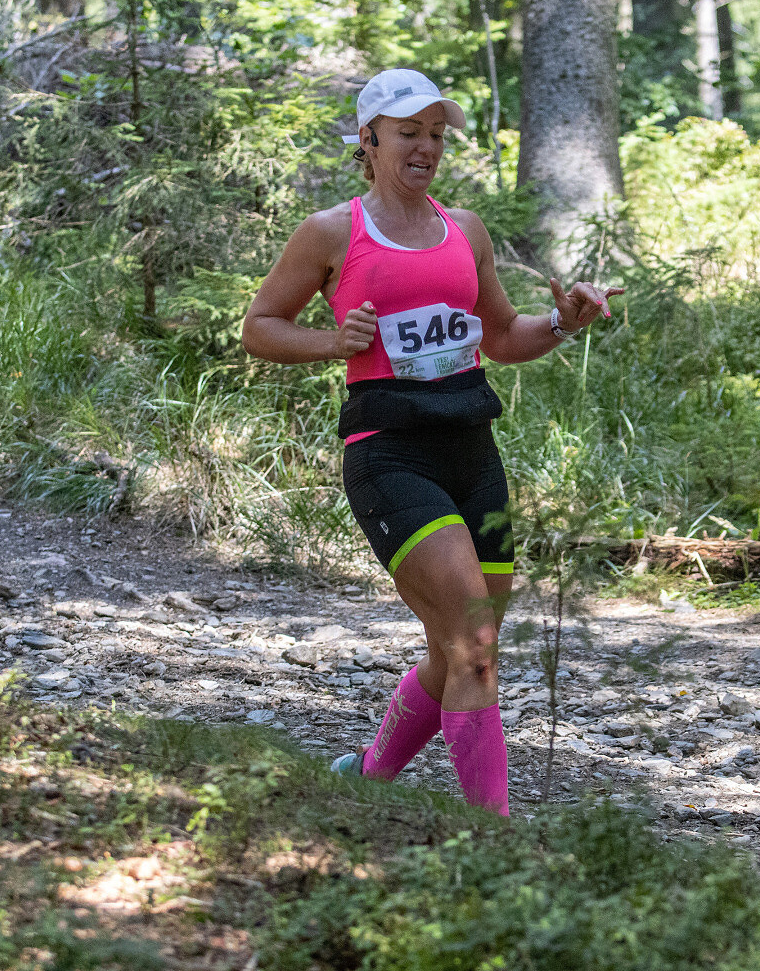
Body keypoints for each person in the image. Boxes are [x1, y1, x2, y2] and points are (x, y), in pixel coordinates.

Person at [241, 68, 622, 816]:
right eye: (409, 133)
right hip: (391, 455)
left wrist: (564, 321)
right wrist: (331, 342)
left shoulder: (466, 229)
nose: (426, 148)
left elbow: (503, 337)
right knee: (473, 647)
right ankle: (493, 839)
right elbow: (260, 327)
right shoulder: (332, 231)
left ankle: (369, 776)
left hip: (474, 454)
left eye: (438, 135)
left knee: (459, 648)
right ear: (369, 138)